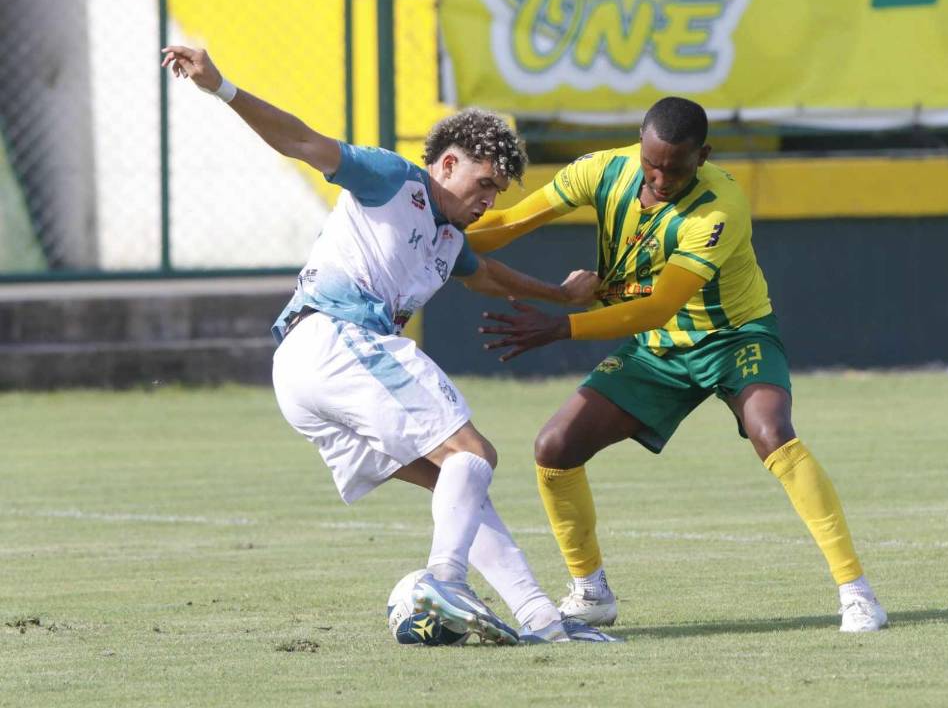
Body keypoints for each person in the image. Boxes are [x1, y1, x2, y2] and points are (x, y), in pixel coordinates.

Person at [160, 45, 618, 645]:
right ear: (448, 163)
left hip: (310, 369)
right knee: (473, 454)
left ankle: (543, 621)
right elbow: (301, 140)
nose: (487, 202)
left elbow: (489, 278)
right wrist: (222, 88)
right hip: (334, 338)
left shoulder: (450, 237)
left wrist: (561, 296)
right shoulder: (394, 180)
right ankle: (443, 580)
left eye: (497, 194)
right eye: (484, 184)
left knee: (458, 480)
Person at [471, 96, 888, 632]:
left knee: (772, 430)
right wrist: (440, 230)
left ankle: (857, 592)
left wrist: (560, 327)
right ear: (639, 146)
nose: (660, 178)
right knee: (554, 448)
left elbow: (659, 304)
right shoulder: (602, 171)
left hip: (733, 337)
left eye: (675, 167)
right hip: (658, 349)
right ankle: (591, 591)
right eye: (651, 163)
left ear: (703, 155)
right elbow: (506, 223)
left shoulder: (720, 207)